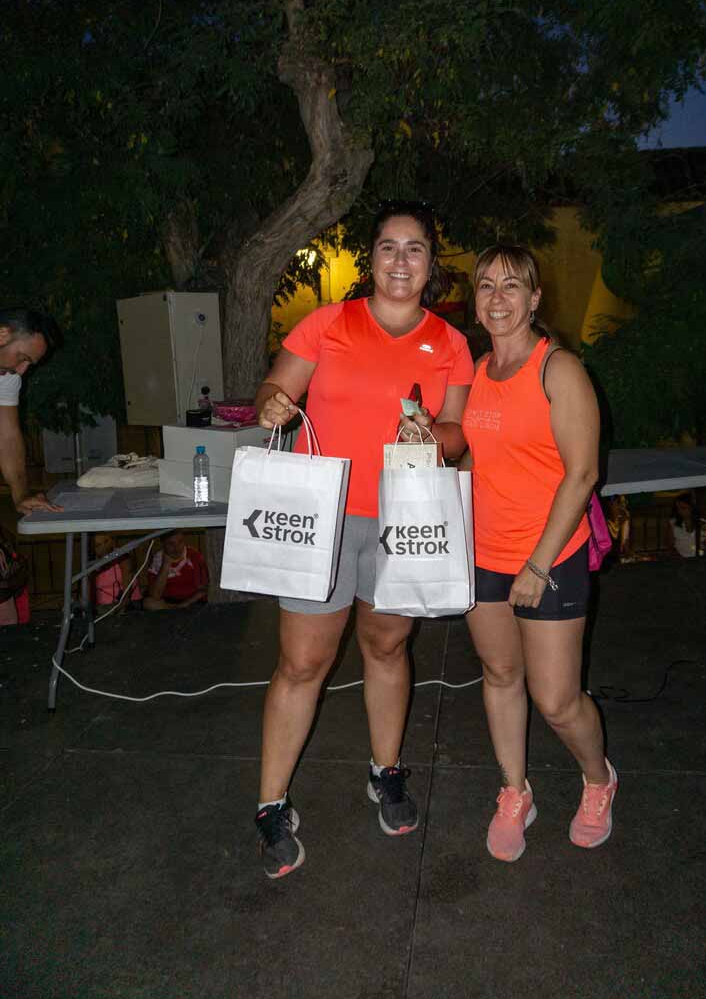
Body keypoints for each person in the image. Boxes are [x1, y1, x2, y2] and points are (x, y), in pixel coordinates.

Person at [253, 201, 473, 879]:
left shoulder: (450, 342)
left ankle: (386, 770)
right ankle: (270, 803)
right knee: (302, 663)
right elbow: (276, 389)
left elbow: (457, 435)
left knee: (387, 645)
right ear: (371, 258)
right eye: (388, 247)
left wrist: (432, 435)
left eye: (415, 248)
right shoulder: (328, 323)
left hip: (403, 517)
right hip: (321, 515)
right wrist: (272, 403)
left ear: (430, 263)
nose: (400, 260)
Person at [461, 243, 617, 863]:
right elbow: (478, 459)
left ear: (534, 298)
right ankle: (515, 791)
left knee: (556, 700)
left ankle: (599, 780)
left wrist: (537, 564)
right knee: (500, 676)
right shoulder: (478, 370)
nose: (498, 298)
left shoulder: (560, 369)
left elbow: (582, 475)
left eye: (511, 286)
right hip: (483, 554)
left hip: (548, 556)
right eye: (486, 286)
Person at [0, 308, 61, 516]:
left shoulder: (7, 377)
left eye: (29, 363)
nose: (21, 370)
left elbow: (8, 436)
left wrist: (21, 495)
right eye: (22, 357)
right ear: (2, 334)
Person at [144, 531, 208, 610]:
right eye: (171, 544)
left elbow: (204, 590)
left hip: (192, 601)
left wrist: (182, 605)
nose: (177, 548)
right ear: (163, 544)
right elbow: (155, 596)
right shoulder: (157, 561)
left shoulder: (194, 556)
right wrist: (166, 565)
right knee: (148, 603)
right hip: (169, 603)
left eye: (180, 542)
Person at [93, 532, 143, 614]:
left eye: (106, 541)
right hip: (102, 607)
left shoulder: (123, 556)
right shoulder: (91, 564)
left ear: (112, 541)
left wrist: (120, 606)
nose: (103, 547)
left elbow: (127, 577)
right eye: (98, 545)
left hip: (128, 604)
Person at [667, 492, 706, 558]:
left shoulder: (705, 524)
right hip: (679, 559)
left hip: (699, 559)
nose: (679, 511)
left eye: (683, 508)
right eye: (677, 508)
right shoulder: (673, 523)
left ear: (692, 508)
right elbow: (670, 545)